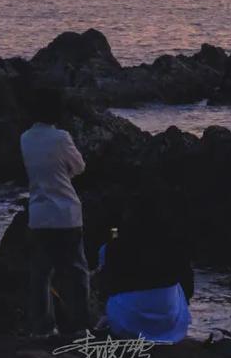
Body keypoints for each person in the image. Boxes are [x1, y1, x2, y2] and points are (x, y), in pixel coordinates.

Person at [20, 86, 90, 337]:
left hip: (39, 215)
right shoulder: (61, 138)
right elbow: (79, 166)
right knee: (77, 271)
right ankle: (81, 326)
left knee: (40, 275)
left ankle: (42, 328)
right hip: (66, 214)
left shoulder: (25, 138)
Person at [96, 199, 193, 344]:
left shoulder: (113, 246)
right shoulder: (174, 245)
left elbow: (106, 283)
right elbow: (189, 288)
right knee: (177, 286)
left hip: (126, 324)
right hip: (168, 324)